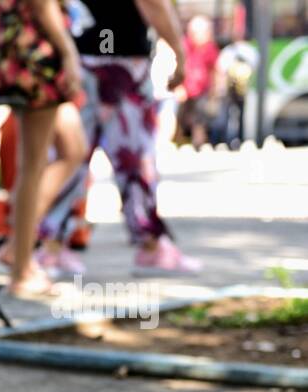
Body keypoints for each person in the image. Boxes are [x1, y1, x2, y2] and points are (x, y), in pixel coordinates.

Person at [37, 0, 201, 276]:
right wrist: (179, 54)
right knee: (135, 155)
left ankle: (50, 244)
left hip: (81, 59)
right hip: (123, 61)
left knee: (72, 154)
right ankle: (150, 244)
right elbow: (152, 3)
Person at [0, 0, 84, 297]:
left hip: (21, 53)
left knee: (73, 149)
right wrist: (69, 53)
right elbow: (42, 5)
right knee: (32, 166)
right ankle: (21, 269)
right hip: (35, 57)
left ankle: (18, 244)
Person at [176, 13, 218, 146]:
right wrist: (179, 86)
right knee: (180, 116)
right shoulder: (185, 45)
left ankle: (197, 142)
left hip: (201, 90)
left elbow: (214, 70)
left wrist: (214, 89)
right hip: (185, 89)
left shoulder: (210, 48)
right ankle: (178, 141)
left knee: (199, 119)